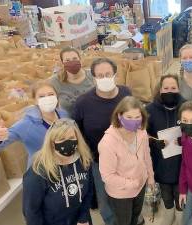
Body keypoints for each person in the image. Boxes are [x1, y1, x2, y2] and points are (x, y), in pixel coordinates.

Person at [73, 58, 132, 225]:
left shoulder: (126, 93)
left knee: (129, 191)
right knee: (104, 199)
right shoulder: (83, 103)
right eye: (100, 75)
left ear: (115, 74)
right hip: (99, 162)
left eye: (108, 74)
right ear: (93, 78)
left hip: (127, 156)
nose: (104, 78)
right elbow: (77, 132)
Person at [23, 118, 93, 225]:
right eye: (61, 139)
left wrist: (83, 218)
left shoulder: (84, 160)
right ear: (51, 143)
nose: (67, 142)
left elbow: (88, 192)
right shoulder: (38, 172)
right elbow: (31, 211)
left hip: (80, 220)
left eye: (71, 138)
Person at [99, 96, 154, 225]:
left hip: (140, 186)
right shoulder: (107, 142)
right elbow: (107, 176)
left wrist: (150, 176)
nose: (134, 121)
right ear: (119, 116)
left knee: (135, 218)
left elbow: (147, 155)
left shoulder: (142, 132)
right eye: (129, 117)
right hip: (120, 194)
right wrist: (132, 184)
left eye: (137, 117)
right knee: (124, 222)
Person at [0, 81, 68, 167]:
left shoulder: (65, 115)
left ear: (56, 96)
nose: (47, 98)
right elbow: (3, 143)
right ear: (35, 100)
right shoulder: (25, 124)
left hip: (66, 168)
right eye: (41, 96)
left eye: (51, 94)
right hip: (41, 171)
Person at [145, 74, 186, 225]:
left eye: (173, 88)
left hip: (182, 166)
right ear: (160, 89)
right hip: (160, 165)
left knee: (180, 197)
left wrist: (185, 140)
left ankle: (180, 219)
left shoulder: (186, 107)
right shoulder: (150, 110)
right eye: (166, 88)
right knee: (166, 197)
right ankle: (168, 217)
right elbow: (142, 134)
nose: (170, 91)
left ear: (179, 89)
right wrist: (153, 141)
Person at [50, 47, 94, 118]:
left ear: (80, 59)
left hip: (93, 121)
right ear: (62, 63)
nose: (72, 62)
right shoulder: (55, 82)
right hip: (71, 125)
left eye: (75, 59)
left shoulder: (92, 75)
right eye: (67, 60)